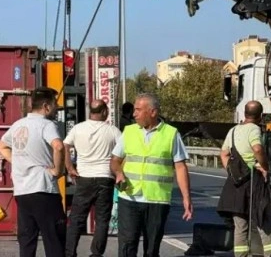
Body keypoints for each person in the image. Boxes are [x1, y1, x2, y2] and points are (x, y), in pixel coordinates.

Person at [110, 93, 193, 257]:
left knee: (152, 248)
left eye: (139, 110)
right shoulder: (129, 131)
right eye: (134, 110)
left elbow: (180, 167)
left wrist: (186, 198)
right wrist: (119, 172)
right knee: (127, 245)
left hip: (157, 200)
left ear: (153, 112)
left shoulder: (171, 134)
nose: (134, 114)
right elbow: (115, 160)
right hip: (130, 198)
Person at [0, 87, 66, 257]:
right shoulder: (47, 125)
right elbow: (58, 146)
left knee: (27, 239)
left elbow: (1, 145)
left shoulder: (17, 125)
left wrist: (18, 161)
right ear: (46, 106)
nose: (56, 108)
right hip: (43, 189)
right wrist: (57, 170)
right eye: (54, 104)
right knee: (54, 238)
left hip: (22, 190)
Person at [216, 101, 271, 257]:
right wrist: (264, 166)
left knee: (240, 225)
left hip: (236, 184)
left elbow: (223, 154)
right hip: (254, 182)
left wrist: (232, 171)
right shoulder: (254, 129)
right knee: (264, 220)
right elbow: (257, 148)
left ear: (244, 114)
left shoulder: (233, 130)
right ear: (260, 116)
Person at [64, 99, 122, 257]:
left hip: (84, 178)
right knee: (102, 219)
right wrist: (119, 172)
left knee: (76, 218)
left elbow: (65, 146)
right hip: (105, 178)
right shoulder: (113, 131)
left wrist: (70, 168)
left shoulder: (78, 128)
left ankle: (69, 253)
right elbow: (124, 152)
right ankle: (96, 254)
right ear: (104, 112)